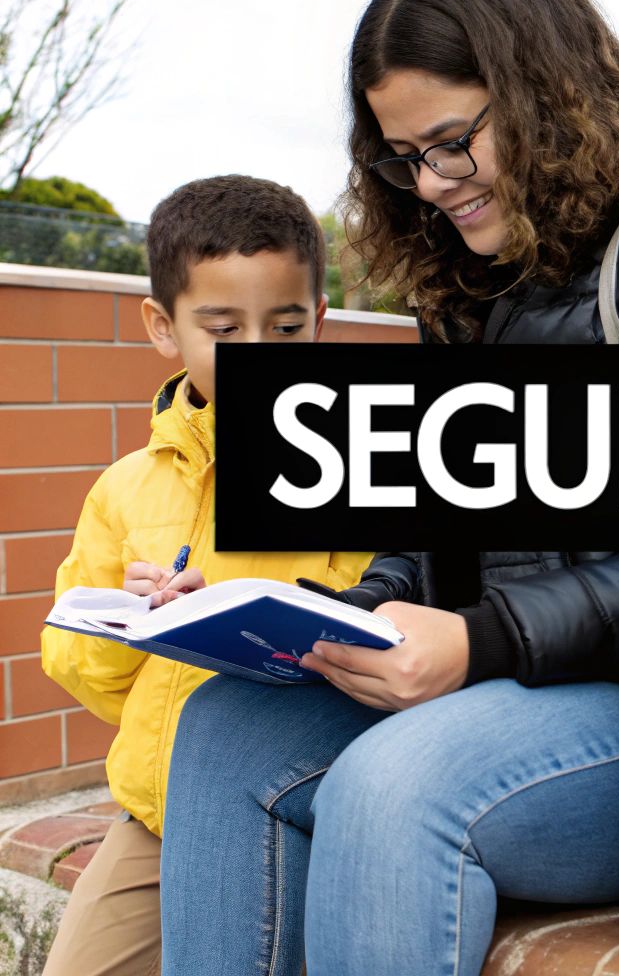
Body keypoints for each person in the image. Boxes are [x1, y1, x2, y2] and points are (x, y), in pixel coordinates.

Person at [157, 0, 619, 974]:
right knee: (228, 725)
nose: (432, 184)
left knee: (397, 783)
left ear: (544, 91)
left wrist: (482, 640)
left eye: (451, 142)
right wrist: (350, 618)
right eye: (404, 158)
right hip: (526, 684)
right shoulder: (476, 275)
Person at [36, 176, 371, 976]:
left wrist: (270, 617)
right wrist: (132, 622)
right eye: (223, 329)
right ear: (164, 327)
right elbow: (79, 667)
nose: (257, 353)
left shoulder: (364, 465)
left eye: (285, 327)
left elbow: (384, 619)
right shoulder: (125, 486)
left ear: (320, 320)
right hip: (155, 819)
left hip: (306, 803)